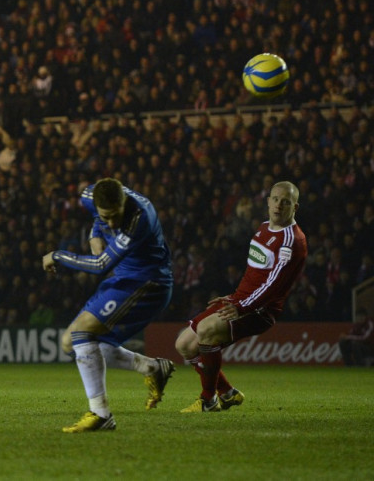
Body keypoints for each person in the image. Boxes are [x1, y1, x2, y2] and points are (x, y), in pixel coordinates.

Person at [42, 178, 175, 433]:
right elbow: (97, 221)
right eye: (107, 216)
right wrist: (96, 233)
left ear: (124, 202)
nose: (112, 222)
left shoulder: (141, 217)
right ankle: (151, 367)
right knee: (70, 342)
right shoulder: (88, 196)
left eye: (116, 216)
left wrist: (57, 255)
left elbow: (101, 265)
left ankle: (101, 414)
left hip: (148, 283)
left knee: (83, 332)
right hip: (123, 279)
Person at [175, 181, 307, 412]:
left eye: (285, 202)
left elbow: (274, 284)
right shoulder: (265, 226)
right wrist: (235, 296)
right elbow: (256, 272)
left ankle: (208, 400)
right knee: (184, 345)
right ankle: (227, 392)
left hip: (260, 310)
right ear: (267, 201)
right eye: (275, 199)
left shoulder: (292, 241)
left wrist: (243, 305)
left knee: (206, 331)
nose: (278, 206)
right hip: (242, 300)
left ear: (295, 207)